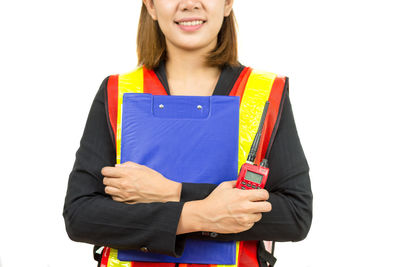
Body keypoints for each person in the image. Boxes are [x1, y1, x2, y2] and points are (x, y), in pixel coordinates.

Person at [63, 0, 313, 266]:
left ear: (227, 4)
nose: (190, 4)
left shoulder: (264, 94)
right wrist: (196, 215)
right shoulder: (119, 92)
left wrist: (172, 191)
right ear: (150, 6)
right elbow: (81, 216)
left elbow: (295, 216)